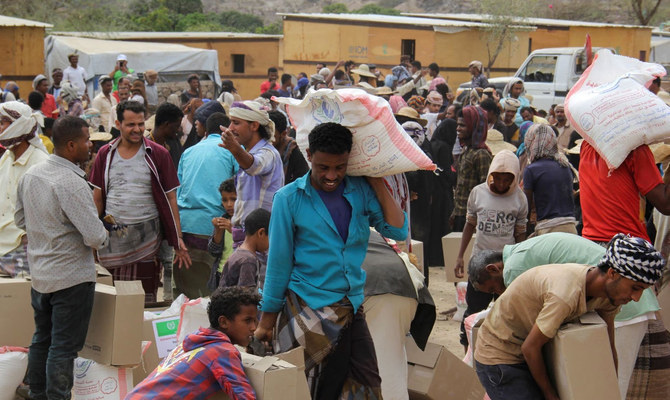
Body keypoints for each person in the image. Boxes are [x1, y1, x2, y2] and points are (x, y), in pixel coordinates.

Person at [255, 122, 408, 399]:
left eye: (340, 167)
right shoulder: (288, 199)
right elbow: (278, 264)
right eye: (323, 167)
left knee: (366, 383)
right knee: (317, 388)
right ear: (309, 154)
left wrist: (376, 181)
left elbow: (397, 231)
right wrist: (266, 321)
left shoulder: (359, 191)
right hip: (306, 305)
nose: (331, 176)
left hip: (351, 304)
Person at [474, 234, 665, 400]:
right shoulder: (565, 295)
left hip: (531, 352)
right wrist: (550, 395)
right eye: (635, 288)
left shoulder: (608, 298)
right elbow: (530, 348)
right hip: (499, 356)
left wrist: (610, 387)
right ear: (613, 273)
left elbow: (608, 346)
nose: (636, 298)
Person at [15, 116, 108, 400]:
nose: (90, 145)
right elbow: (95, 237)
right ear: (70, 146)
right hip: (71, 279)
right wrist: (104, 232)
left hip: (41, 275)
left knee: (41, 339)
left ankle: (38, 394)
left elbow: (20, 220)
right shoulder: (71, 182)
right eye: (86, 140)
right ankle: (57, 396)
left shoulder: (31, 174)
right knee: (64, 346)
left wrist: (47, 229)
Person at [89, 100, 190, 303]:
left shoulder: (158, 154)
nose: (137, 130)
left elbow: (171, 198)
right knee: (112, 301)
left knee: (143, 301)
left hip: (147, 242)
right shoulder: (105, 154)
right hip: (112, 242)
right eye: (131, 125)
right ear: (118, 124)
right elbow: (97, 199)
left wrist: (177, 238)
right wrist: (91, 239)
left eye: (141, 124)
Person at [127, 286, 258, 400]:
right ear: (223, 322)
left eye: (255, 320)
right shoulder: (223, 351)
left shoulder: (193, 343)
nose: (254, 327)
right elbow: (245, 396)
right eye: (247, 321)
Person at [455, 149, 527, 348]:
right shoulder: (478, 193)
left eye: (507, 180)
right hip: (479, 264)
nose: (502, 184)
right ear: (490, 175)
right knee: (473, 311)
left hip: (506, 268)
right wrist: (460, 256)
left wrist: (521, 263)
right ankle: (467, 348)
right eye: (497, 179)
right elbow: (469, 224)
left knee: (507, 313)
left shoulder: (519, 199)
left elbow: (520, 233)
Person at [361, 230, 436, 400]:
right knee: (392, 357)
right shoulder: (369, 229)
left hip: (376, 289)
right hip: (406, 286)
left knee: (382, 363)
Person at [176, 112, 238, 299]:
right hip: (217, 228)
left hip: (187, 227)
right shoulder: (234, 150)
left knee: (187, 294)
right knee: (215, 294)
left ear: (205, 132)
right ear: (225, 130)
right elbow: (240, 189)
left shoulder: (188, 151)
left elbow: (178, 190)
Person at [219, 101, 283, 245]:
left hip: (258, 241)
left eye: (236, 123)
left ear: (254, 125)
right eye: (230, 122)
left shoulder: (268, 153)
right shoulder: (249, 152)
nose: (230, 128)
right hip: (244, 238)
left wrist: (235, 149)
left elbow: (254, 166)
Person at [0, 101, 49, 277]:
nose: (0, 127)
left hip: (23, 247)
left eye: (3, 122)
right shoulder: (6, 158)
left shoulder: (40, 163)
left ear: (18, 125)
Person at [522, 124, 576, 236]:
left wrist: (525, 231)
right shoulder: (565, 165)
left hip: (548, 229)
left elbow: (526, 206)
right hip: (571, 227)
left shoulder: (531, 170)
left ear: (530, 142)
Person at [450, 105, 492, 232]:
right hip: (460, 214)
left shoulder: (481, 154)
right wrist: (454, 213)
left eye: (462, 125)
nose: (458, 129)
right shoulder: (466, 150)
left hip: (472, 219)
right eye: (458, 125)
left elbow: (486, 191)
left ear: (474, 127)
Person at [219, 208, 270, 290]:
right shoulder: (248, 261)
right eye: (270, 237)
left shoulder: (239, 253)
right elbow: (245, 298)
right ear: (261, 233)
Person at [207, 178, 237, 291]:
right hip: (220, 274)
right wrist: (218, 232)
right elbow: (213, 251)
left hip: (237, 275)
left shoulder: (246, 221)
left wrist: (233, 230)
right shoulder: (224, 219)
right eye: (225, 200)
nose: (229, 204)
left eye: (233, 199)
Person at [268, 110, 308, 185]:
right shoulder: (262, 151)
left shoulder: (295, 154)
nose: (267, 139)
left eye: (272, 136)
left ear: (283, 134)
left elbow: (301, 183)